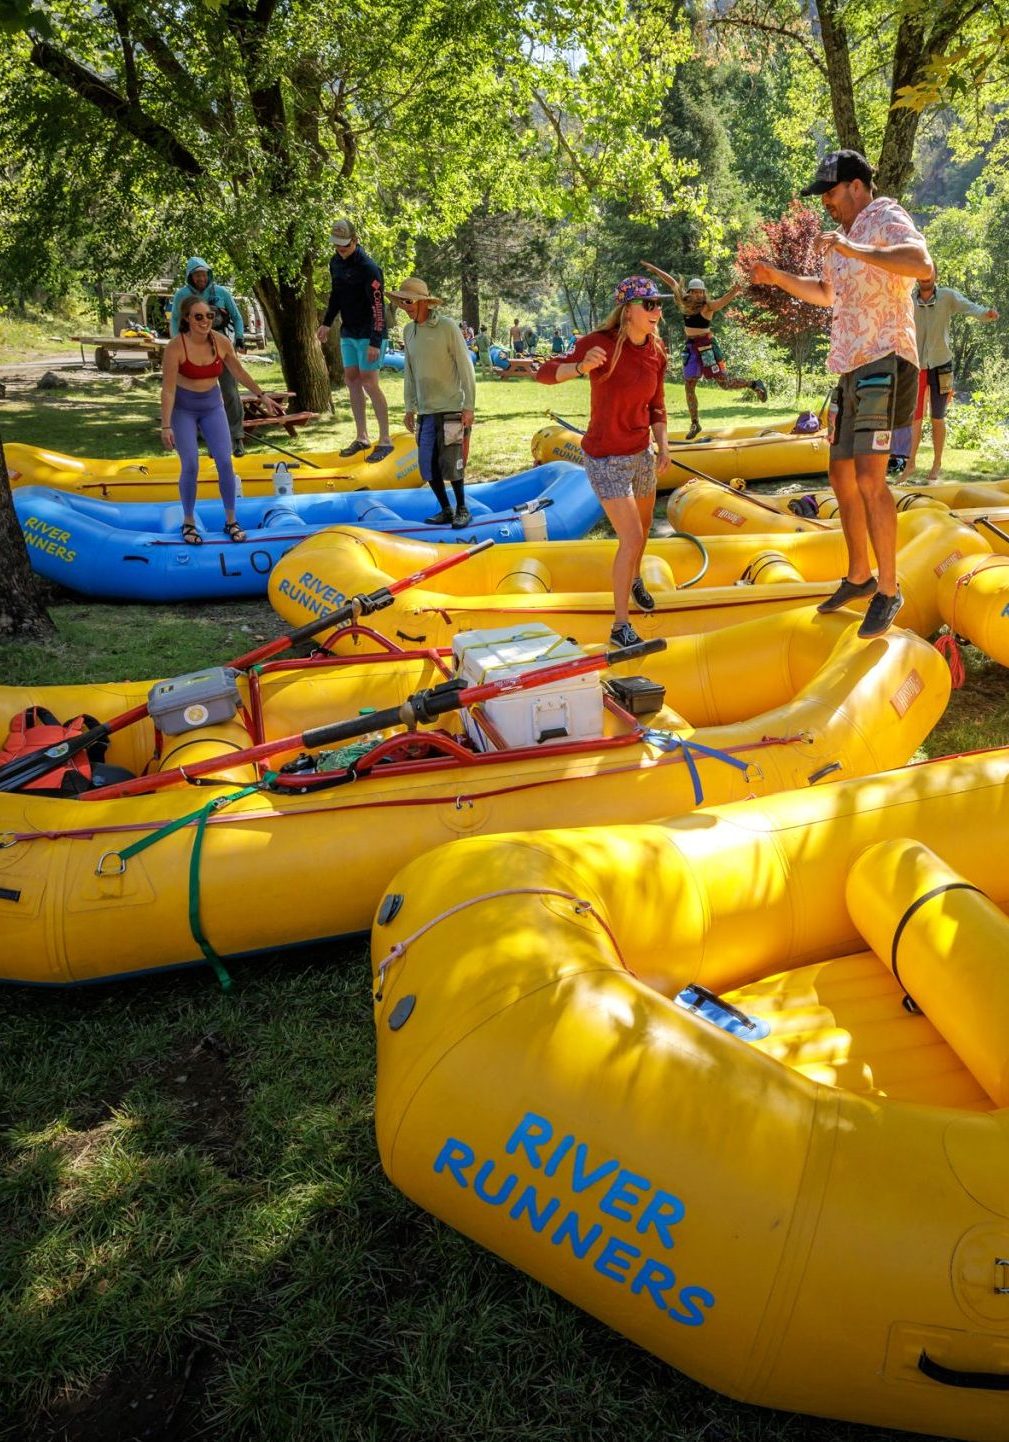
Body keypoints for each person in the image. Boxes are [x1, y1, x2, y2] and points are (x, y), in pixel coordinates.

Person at [748, 148, 932, 638]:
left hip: (884, 358)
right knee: (840, 474)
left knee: (871, 478)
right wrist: (776, 277)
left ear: (855, 185)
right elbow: (826, 293)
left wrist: (858, 251)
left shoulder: (884, 216)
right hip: (849, 366)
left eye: (830, 193)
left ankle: (890, 591)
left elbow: (921, 263)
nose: (826, 203)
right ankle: (859, 576)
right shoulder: (841, 239)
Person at [536, 275, 671, 649]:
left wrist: (663, 443)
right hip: (606, 458)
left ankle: (635, 578)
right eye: (649, 304)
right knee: (630, 537)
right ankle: (620, 626)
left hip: (641, 455)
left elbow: (657, 405)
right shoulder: (599, 344)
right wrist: (579, 368)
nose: (657, 310)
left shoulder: (657, 352)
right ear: (627, 310)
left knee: (642, 534)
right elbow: (544, 373)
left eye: (659, 304)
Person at [161, 295, 283, 544]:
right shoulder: (176, 346)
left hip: (212, 406)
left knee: (225, 463)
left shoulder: (221, 341)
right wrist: (165, 425)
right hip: (184, 409)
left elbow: (238, 370)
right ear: (186, 318)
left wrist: (262, 396)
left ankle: (231, 521)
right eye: (198, 316)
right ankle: (188, 522)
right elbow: (168, 389)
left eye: (209, 316)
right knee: (191, 465)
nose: (205, 321)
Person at [641, 264, 767, 438]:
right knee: (689, 386)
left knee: (724, 383)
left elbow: (721, 302)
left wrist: (734, 291)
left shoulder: (707, 306)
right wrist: (654, 270)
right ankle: (695, 424)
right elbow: (671, 281)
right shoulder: (685, 301)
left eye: (701, 292)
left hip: (707, 348)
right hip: (691, 349)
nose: (698, 295)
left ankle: (754, 384)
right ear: (690, 292)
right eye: (695, 292)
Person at [389, 277, 476, 528]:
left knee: (452, 463)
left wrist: (468, 406)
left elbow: (465, 367)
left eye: (409, 301)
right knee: (427, 465)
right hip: (425, 410)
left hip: (450, 407)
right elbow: (409, 370)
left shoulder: (447, 327)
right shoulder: (409, 331)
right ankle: (446, 509)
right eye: (402, 301)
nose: (405, 307)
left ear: (424, 302)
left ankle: (462, 508)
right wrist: (409, 407)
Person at [905, 268, 998, 478]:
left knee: (937, 417)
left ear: (935, 275)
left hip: (942, 364)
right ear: (917, 277)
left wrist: (986, 314)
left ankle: (936, 464)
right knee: (916, 418)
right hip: (916, 366)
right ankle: (910, 464)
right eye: (922, 273)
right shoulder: (909, 300)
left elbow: (970, 307)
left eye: (929, 273)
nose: (925, 277)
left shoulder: (947, 296)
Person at [316, 219, 393, 463]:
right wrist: (327, 323)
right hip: (348, 331)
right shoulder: (335, 263)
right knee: (351, 380)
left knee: (370, 383)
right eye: (337, 245)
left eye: (345, 245)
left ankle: (385, 439)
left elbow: (378, 307)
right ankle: (362, 436)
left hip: (370, 332)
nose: (341, 250)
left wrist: (374, 340)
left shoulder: (369, 268)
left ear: (355, 240)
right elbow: (336, 296)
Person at [170, 258, 247, 455]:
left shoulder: (221, 292)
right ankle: (213, 442)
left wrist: (239, 338)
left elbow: (237, 317)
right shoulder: (182, 295)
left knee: (230, 392)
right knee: (199, 394)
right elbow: (176, 321)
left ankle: (237, 438)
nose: (201, 278)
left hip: (221, 348)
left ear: (209, 275)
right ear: (190, 277)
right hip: (195, 351)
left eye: (204, 274)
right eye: (197, 275)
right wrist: (176, 344)